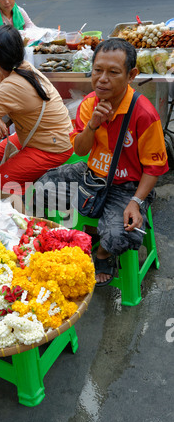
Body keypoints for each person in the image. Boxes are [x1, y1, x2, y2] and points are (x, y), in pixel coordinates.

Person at [35, 38, 169, 286]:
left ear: (131, 75)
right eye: (98, 70)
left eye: (113, 72)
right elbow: (81, 149)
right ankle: (80, 234)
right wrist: (92, 125)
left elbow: (153, 169)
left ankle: (103, 252)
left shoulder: (144, 114)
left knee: (120, 236)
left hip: (129, 185)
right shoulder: (89, 104)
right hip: (92, 174)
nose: (102, 79)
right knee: (41, 187)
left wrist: (136, 202)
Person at [0, 24, 73, 205]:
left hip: (52, 147)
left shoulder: (13, 83)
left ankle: (26, 209)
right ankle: (22, 190)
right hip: (44, 136)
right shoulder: (17, 69)